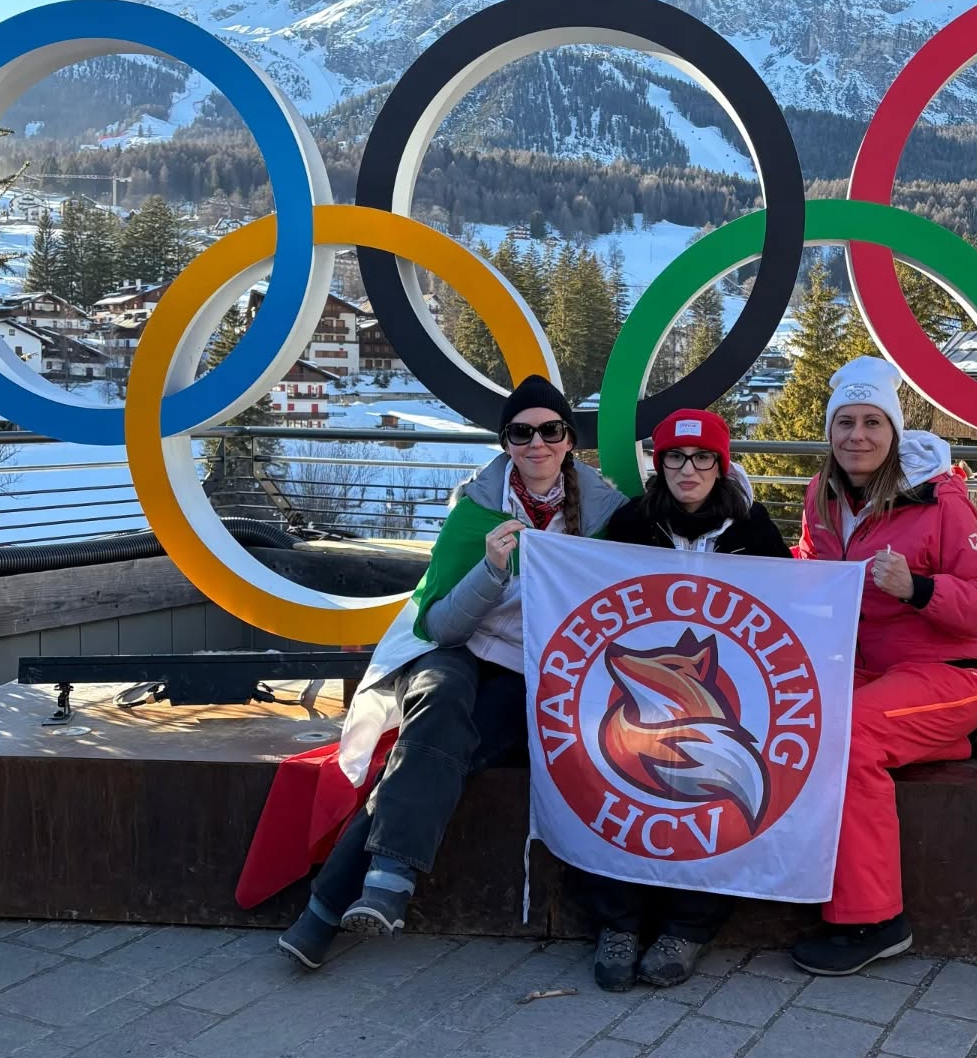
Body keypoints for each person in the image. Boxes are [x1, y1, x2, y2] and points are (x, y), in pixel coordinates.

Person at [278, 375, 625, 969]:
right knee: (438, 702)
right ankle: (385, 883)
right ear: (505, 441)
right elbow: (439, 625)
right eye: (521, 432)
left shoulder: (602, 514)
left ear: (569, 440)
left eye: (550, 430)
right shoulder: (475, 510)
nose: (536, 443)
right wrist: (491, 569)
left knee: (438, 752)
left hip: (537, 670)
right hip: (460, 648)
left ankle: (333, 905)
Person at [790, 358, 977, 977]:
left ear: (894, 433)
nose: (858, 436)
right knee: (796, 717)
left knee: (849, 738)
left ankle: (873, 920)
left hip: (950, 671)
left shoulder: (939, 498)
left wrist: (917, 588)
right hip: (871, 671)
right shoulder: (824, 494)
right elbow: (812, 561)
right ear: (830, 431)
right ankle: (961, 741)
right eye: (845, 422)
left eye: (873, 423)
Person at [572, 409, 792, 992]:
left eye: (702, 459)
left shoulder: (753, 529)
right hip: (635, 702)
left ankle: (688, 929)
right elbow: (591, 599)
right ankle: (618, 925)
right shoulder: (632, 523)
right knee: (604, 784)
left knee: (731, 800)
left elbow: (791, 609)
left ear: (721, 466)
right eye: (675, 456)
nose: (688, 469)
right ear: (659, 462)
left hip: (728, 700)